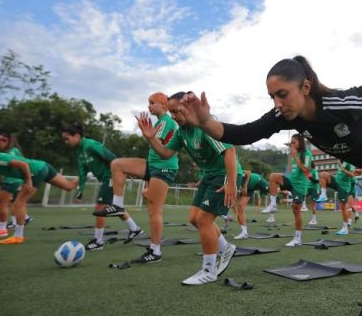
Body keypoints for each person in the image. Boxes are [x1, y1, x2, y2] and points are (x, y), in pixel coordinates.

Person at [175, 55, 362, 316]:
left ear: (305, 87)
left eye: (282, 94)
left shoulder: (343, 102)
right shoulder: (284, 118)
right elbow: (243, 133)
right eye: (272, 97)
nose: (277, 104)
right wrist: (205, 121)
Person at [136, 93, 238, 284]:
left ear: (189, 109)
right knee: (193, 219)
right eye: (171, 112)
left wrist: (231, 183)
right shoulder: (181, 132)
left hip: (224, 175)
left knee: (204, 220)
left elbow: (230, 151)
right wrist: (151, 138)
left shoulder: (205, 125)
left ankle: (209, 270)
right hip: (209, 176)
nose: (173, 116)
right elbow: (166, 153)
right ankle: (226, 248)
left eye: (176, 111)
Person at [93, 92, 179, 264]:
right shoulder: (160, 122)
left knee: (154, 211)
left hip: (164, 168)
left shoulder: (167, 121)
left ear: (163, 105)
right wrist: (146, 132)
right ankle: (117, 204)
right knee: (117, 164)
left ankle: (155, 251)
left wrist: (148, 135)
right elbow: (154, 145)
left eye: (152, 102)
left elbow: (159, 146)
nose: (148, 106)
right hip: (152, 165)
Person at [0, 144, 78, 244]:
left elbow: (23, 164)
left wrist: (28, 181)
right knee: (69, 187)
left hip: (36, 171)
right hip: (43, 166)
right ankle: (87, 174)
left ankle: (18, 236)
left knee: (18, 204)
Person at [61, 124, 143, 251]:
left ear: (76, 135)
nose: (66, 142)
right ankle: (135, 229)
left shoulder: (90, 145)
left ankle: (98, 242)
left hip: (111, 177)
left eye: (67, 138)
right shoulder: (79, 152)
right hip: (105, 179)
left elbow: (113, 159)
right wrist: (80, 190)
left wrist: (125, 170)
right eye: (64, 140)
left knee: (100, 208)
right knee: (115, 208)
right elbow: (82, 172)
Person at [261, 134, 313, 247]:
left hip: (300, 186)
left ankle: (298, 239)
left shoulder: (306, 153)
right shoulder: (292, 155)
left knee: (296, 210)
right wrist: (283, 178)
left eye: (294, 142)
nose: (292, 145)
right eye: (291, 142)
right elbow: (290, 171)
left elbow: (305, 169)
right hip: (291, 181)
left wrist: (295, 157)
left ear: (300, 142)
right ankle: (273, 205)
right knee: (273, 176)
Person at [0, 133, 32, 238]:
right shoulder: (3, 153)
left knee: (11, 203)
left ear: (7, 142)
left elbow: (18, 165)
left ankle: (6, 225)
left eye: (1, 141)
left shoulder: (12, 151)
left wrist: (26, 180)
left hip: (14, 180)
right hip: (7, 180)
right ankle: (5, 221)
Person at [318, 161, 362, 235]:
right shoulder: (341, 160)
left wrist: (342, 168)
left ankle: (345, 228)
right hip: (336, 181)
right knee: (323, 174)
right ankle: (323, 195)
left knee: (344, 207)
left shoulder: (350, 162)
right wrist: (332, 175)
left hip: (344, 187)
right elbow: (340, 173)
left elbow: (352, 174)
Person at [234, 169, 270, 239]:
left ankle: (289, 192)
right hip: (249, 188)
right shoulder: (224, 176)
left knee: (274, 190)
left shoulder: (236, 170)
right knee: (240, 208)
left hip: (257, 180)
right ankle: (244, 233)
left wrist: (245, 186)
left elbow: (248, 172)